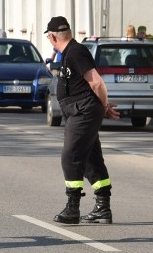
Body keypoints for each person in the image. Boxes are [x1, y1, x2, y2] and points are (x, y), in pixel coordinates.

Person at [45, 16, 120, 225]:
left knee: (70, 156)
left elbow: (97, 83)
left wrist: (104, 106)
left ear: (52, 37)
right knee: (91, 159)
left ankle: (72, 208)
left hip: (82, 111)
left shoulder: (76, 51)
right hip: (79, 110)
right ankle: (103, 208)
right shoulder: (68, 53)